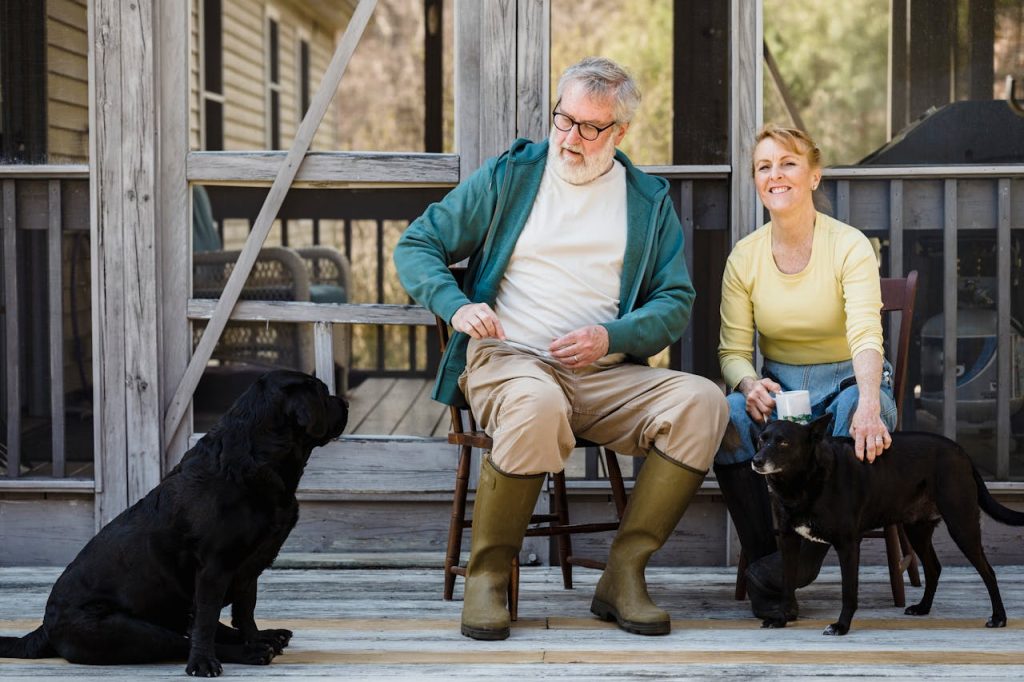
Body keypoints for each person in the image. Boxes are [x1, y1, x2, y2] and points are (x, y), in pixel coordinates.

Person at [394, 57, 728, 641]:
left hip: (605, 374)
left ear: (620, 133)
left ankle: (623, 574)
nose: (571, 138)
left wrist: (612, 337)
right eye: (564, 120)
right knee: (536, 403)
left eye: (590, 127)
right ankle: (490, 575)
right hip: (511, 361)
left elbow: (674, 301)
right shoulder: (512, 176)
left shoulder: (646, 202)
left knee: (701, 402)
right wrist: (457, 305)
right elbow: (418, 243)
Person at [714, 123, 898, 620]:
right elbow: (732, 350)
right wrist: (749, 384)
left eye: (789, 163)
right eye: (764, 166)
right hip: (782, 393)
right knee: (726, 416)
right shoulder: (745, 257)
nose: (776, 175)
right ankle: (768, 558)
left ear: (814, 176)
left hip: (847, 382)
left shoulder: (850, 245)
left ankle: (785, 578)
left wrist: (867, 401)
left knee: (850, 424)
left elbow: (865, 333)